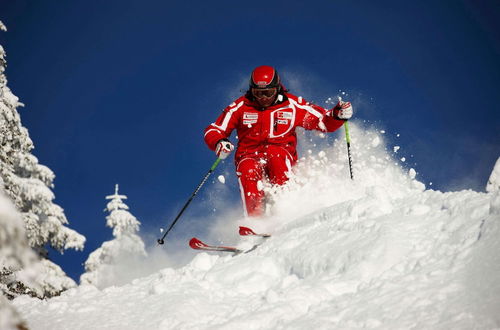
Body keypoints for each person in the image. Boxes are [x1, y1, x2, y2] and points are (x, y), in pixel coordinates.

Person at [204, 65, 353, 217]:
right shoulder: (241, 107)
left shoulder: (292, 105)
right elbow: (215, 130)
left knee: (275, 158)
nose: (263, 98)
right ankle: (256, 222)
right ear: (251, 91)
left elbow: (322, 121)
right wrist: (219, 142)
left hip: (280, 153)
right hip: (248, 154)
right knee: (248, 169)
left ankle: (285, 213)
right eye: (258, 93)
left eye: (268, 93)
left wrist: (337, 115)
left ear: (277, 89)